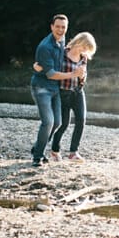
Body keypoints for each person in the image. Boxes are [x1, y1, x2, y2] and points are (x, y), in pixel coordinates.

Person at [30, 14, 85, 167]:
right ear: (51, 27)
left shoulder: (62, 42)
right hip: (42, 88)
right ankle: (37, 157)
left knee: (58, 123)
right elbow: (51, 74)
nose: (61, 30)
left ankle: (37, 148)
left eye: (63, 27)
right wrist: (73, 74)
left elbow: (71, 56)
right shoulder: (45, 46)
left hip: (55, 88)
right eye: (58, 26)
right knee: (48, 122)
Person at [47, 31, 96, 162]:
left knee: (81, 120)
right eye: (85, 47)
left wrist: (82, 76)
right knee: (63, 124)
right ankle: (54, 150)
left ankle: (73, 152)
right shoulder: (62, 53)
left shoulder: (83, 57)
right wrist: (73, 73)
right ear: (79, 42)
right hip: (62, 93)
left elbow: (83, 76)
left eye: (88, 49)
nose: (86, 51)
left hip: (78, 91)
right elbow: (53, 73)